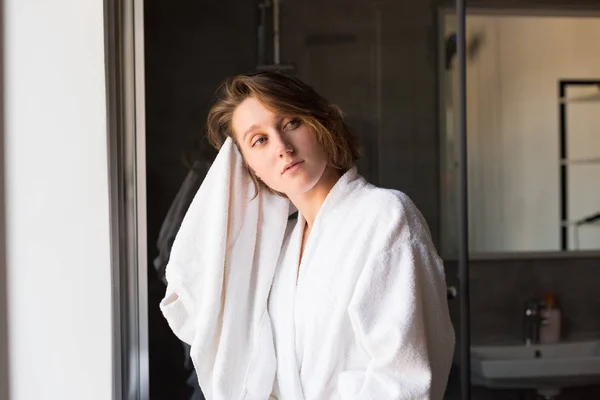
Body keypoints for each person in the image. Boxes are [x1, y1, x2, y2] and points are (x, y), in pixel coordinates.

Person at [162, 71, 455, 399]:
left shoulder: (385, 216)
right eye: (259, 140)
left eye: (290, 123)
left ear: (321, 124)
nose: (282, 148)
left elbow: (404, 377)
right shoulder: (281, 246)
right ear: (249, 169)